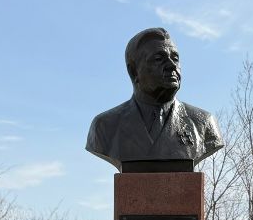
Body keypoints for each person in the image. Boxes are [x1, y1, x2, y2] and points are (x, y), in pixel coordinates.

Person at [86, 27, 224, 171]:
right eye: (159, 59)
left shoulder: (204, 123)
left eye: (175, 58)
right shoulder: (105, 126)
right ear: (133, 71)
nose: (172, 65)